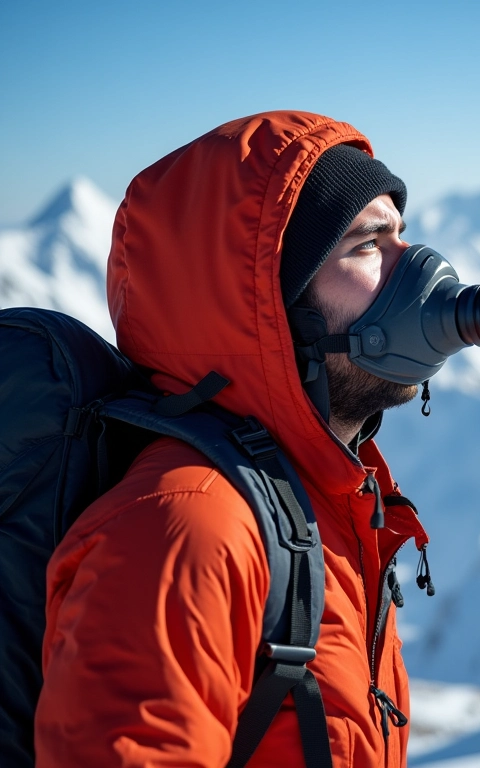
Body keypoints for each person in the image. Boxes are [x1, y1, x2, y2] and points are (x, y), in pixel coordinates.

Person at [34, 111, 430, 767]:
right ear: (272, 306)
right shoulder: (185, 529)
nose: (415, 266)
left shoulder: (334, 503)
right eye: (367, 244)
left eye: (402, 235)